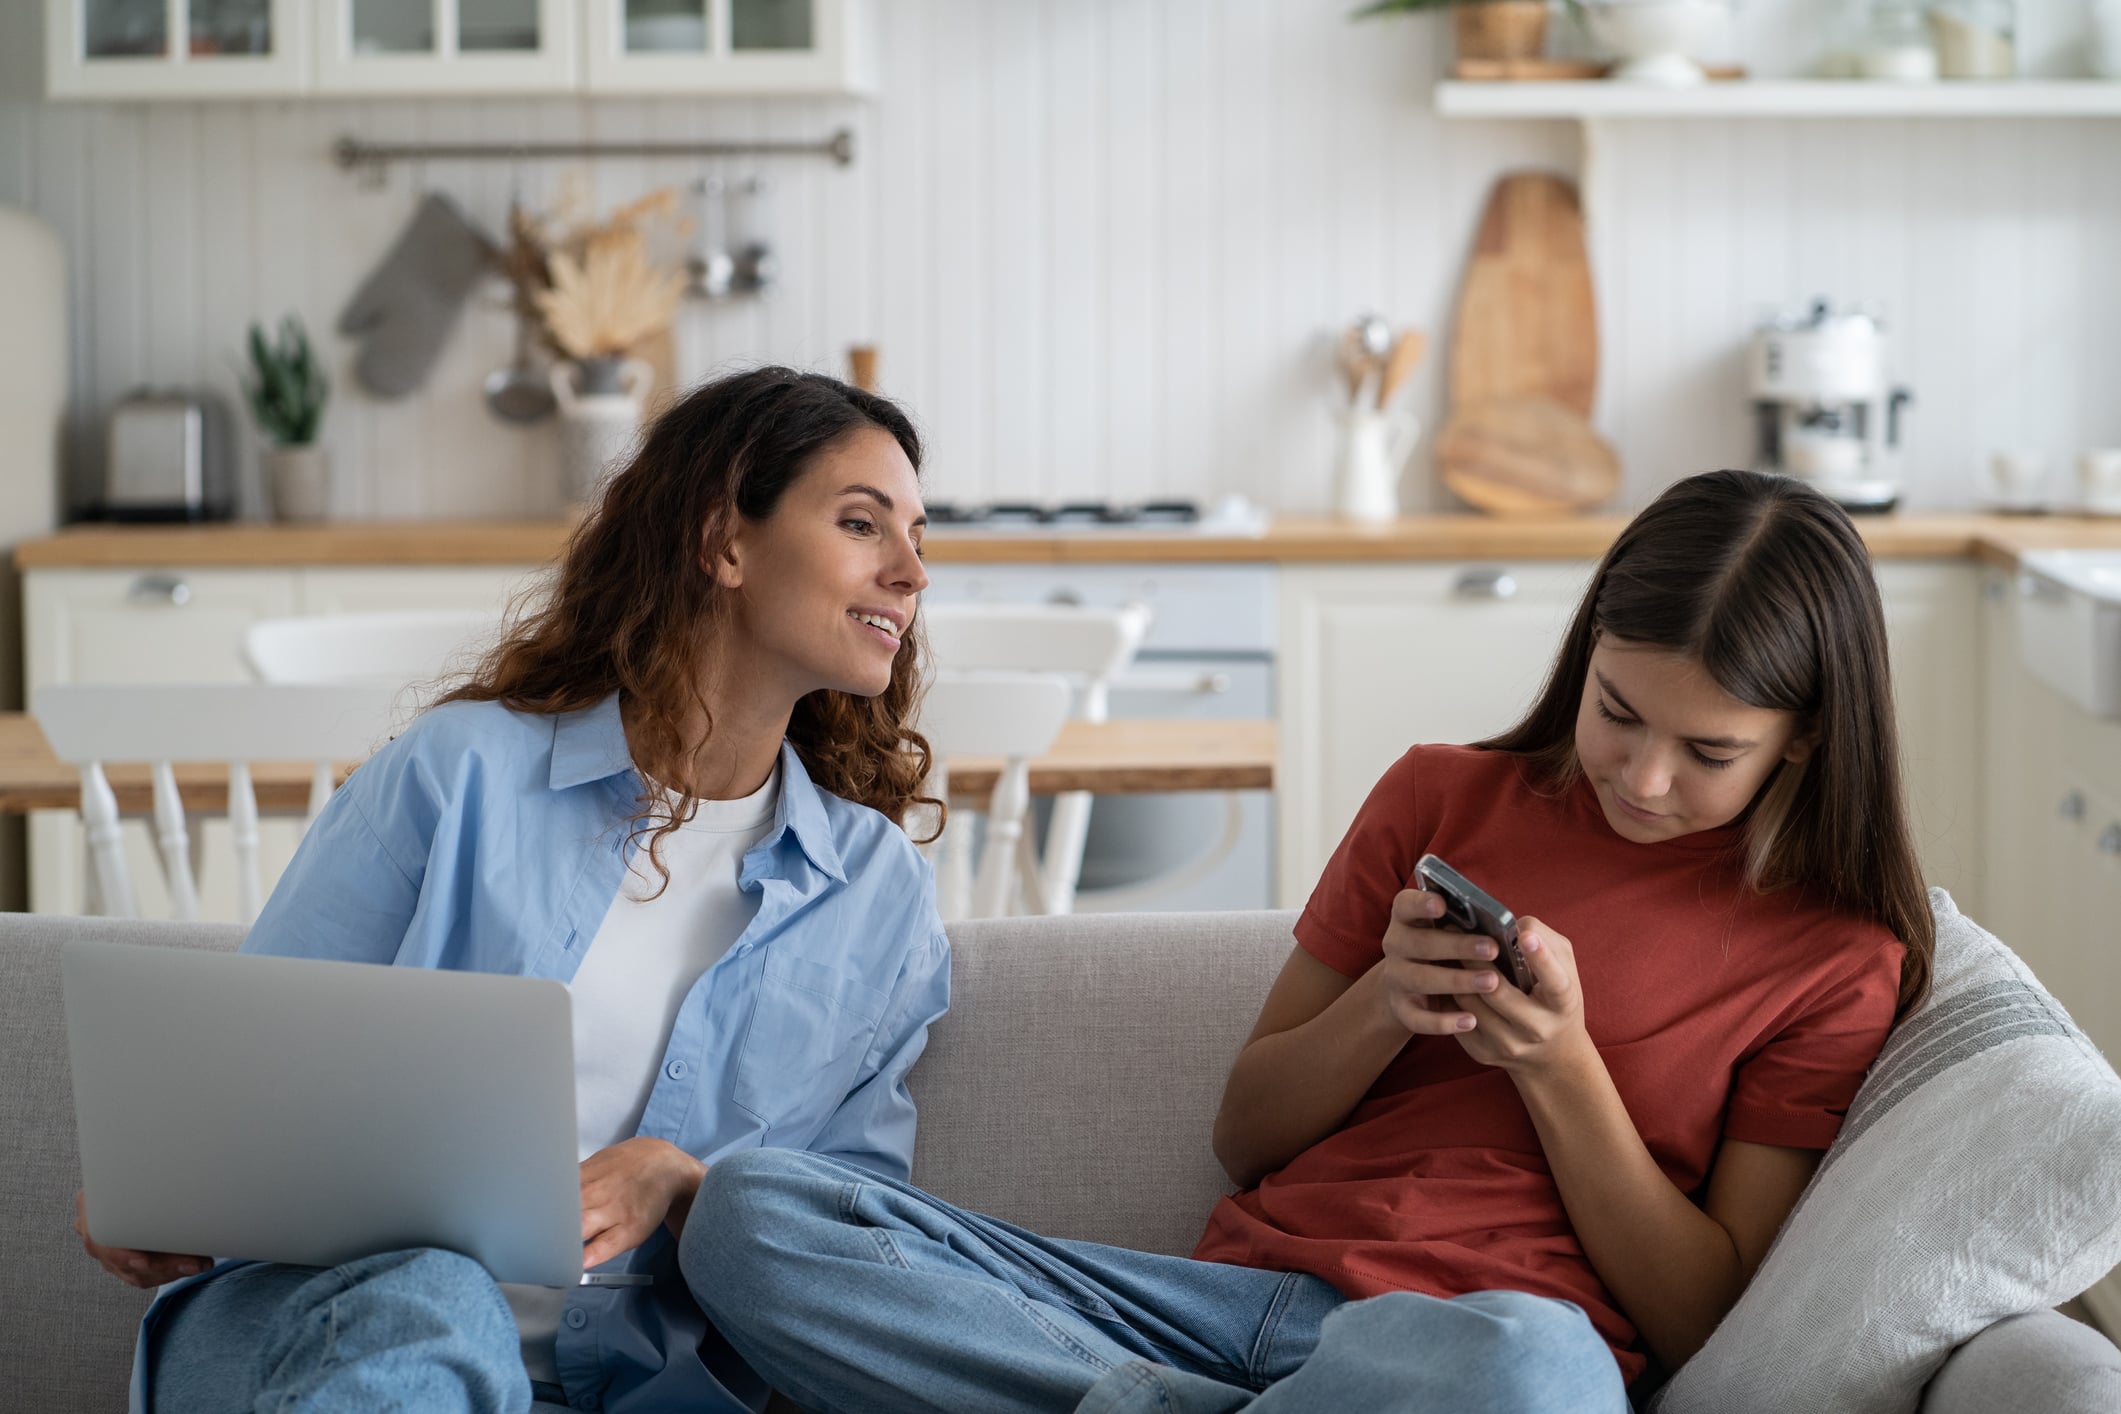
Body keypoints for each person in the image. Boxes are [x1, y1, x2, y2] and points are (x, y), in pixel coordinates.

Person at [682, 468, 1936, 1414]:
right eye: (1618, 712)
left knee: (1540, 1374)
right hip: (1202, 1309)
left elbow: (1700, 1309)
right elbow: (1247, 1136)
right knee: (749, 1214)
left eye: (1709, 753)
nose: (1644, 776)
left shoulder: (1834, 958)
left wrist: (1561, 1065)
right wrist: (1388, 998)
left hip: (1462, 1350)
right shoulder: (1444, 795)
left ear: (1805, 744)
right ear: (1588, 647)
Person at [72, 366, 954, 1414]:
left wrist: (688, 1187)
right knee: (436, 1301)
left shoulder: (876, 899)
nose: (911, 572)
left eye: (919, 539)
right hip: (330, 1328)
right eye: (864, 523)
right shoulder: (462, 774)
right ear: (723, 541)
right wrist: (162, 1188)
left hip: (643, 1382)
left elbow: (858, 1257)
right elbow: (242, 1088)